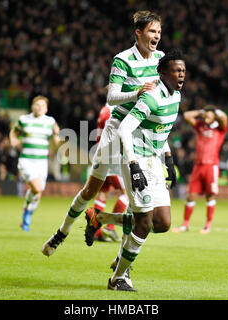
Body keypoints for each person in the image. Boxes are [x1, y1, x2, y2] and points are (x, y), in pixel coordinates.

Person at [42, 10, 168, 256]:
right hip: (116, 130)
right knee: (91, 189)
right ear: (139, 33)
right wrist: (137, 92)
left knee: (137, 201)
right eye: (152, 31)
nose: (157, 36)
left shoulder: (161, 59)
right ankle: (62, 231)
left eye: (160, 32)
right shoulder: (122, 59)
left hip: (141, 135)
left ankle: (120, 261)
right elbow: (112, 96)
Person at [105, 51, 186, 291]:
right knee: (144, 223)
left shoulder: (176, 96)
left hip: (154, 161)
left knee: (162, 222)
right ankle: (118, 277)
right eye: (176, 70)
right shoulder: (151, 97)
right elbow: (124, 130)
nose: (181, 73)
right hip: (136, 160)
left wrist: (168, 158)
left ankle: (106, 218)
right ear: (162, 73)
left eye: (183, 70)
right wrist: (133, 165)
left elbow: (161, 129)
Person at [172, 106, 228, 234]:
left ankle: (208, 225)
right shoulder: (200, 127)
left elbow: (224, 117)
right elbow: (186, 115)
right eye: (206, 116)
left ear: (214, 117)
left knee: (210, 196)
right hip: (198, 166)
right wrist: (201, 112)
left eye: (210, 116)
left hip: (211, 166)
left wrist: (215, 111)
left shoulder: (220, 129)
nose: (206, 118)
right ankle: (185, 225)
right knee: (190, 196)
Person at [9, 96, 61, 231]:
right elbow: (13, 132)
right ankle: (26, 214)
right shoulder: (24, 120)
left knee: (37, 193)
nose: (39, 107)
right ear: (32, 106)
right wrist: (13, 140)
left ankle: (27, 212)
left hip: (42, 162)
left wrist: (57, 135)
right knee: (37, 188)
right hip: (26, 160)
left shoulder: (50, 121)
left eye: (42, 105)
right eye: (37, 105)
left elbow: (55, 143)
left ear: (46, 108)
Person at [92, 102, 129, 242]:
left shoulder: (105, 109)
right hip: (114, 157)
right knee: (128, 194)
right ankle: (110, 227)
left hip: (102, 155)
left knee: (103, 193)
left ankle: (96, 231)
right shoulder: (115, 110)